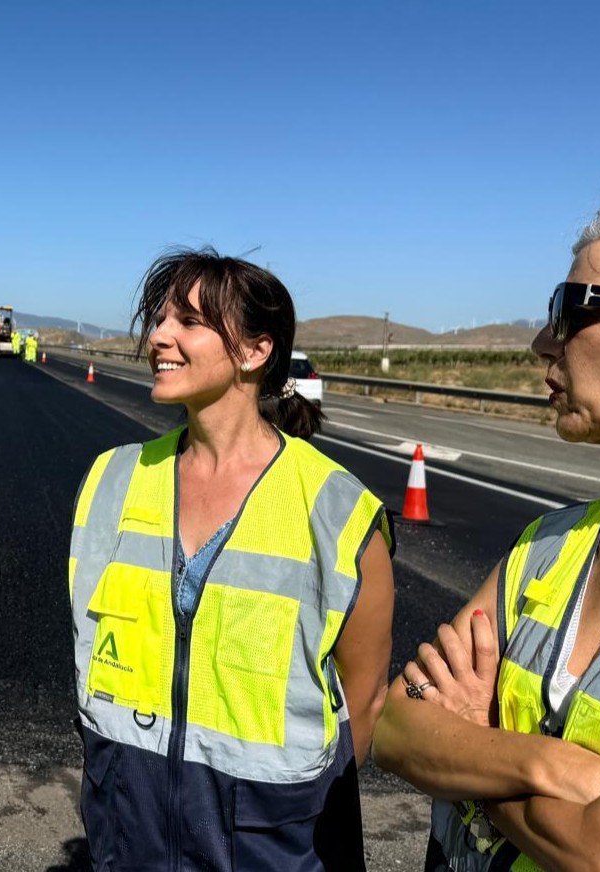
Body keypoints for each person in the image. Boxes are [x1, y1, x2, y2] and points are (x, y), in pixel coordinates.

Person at [373, 186, 600, 871]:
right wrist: (548, 764)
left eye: (571, 311)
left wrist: (472, 746)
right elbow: (394, 725)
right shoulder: (549, 543)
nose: (543, 339)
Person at [68, 249, 395, 871]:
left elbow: (365, 696)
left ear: (254, 352)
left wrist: (285, 815)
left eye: (188, 322)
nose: (158, 337)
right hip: (125, 835)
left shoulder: (335, 508)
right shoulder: (112, 480)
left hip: (268, 846)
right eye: (159, 320)